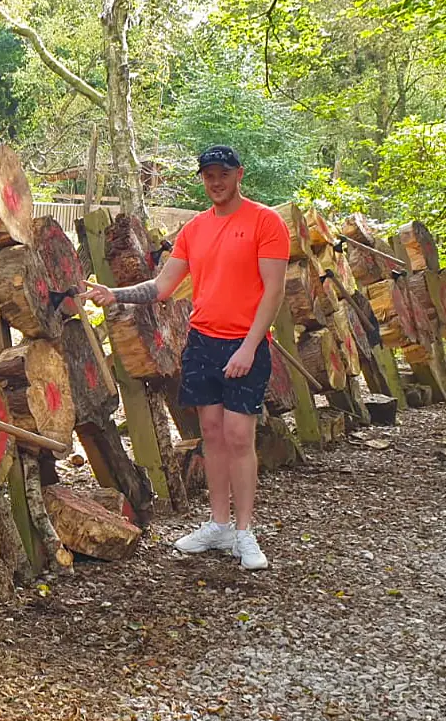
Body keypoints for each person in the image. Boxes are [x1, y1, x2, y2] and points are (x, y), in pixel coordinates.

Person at [79, 145, 289, 570]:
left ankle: (245, 532)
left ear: (239, 174)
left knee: (238, 436)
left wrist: (249, 346)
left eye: (223, 174)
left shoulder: (265, 222)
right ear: (202, 179)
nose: (216, 182)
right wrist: (112, 294)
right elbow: (161, 287)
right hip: (202, 342)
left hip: (246, 343)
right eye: (209, 175)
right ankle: (218, 524)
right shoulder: (195, 229)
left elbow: (275, 290)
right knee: (211, 434)